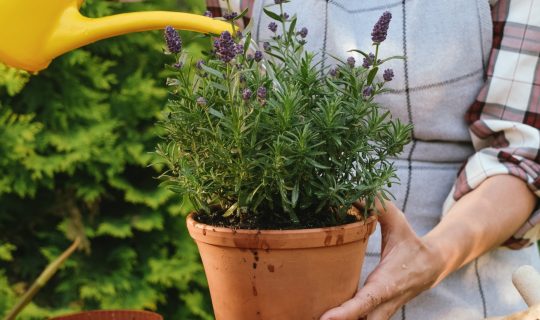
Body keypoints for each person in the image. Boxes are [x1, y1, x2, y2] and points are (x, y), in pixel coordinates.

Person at [206, 0, 540, 319]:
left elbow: (519, 156)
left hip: (462, 288)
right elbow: (243, 124)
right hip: (279, 287)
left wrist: (430, 259)